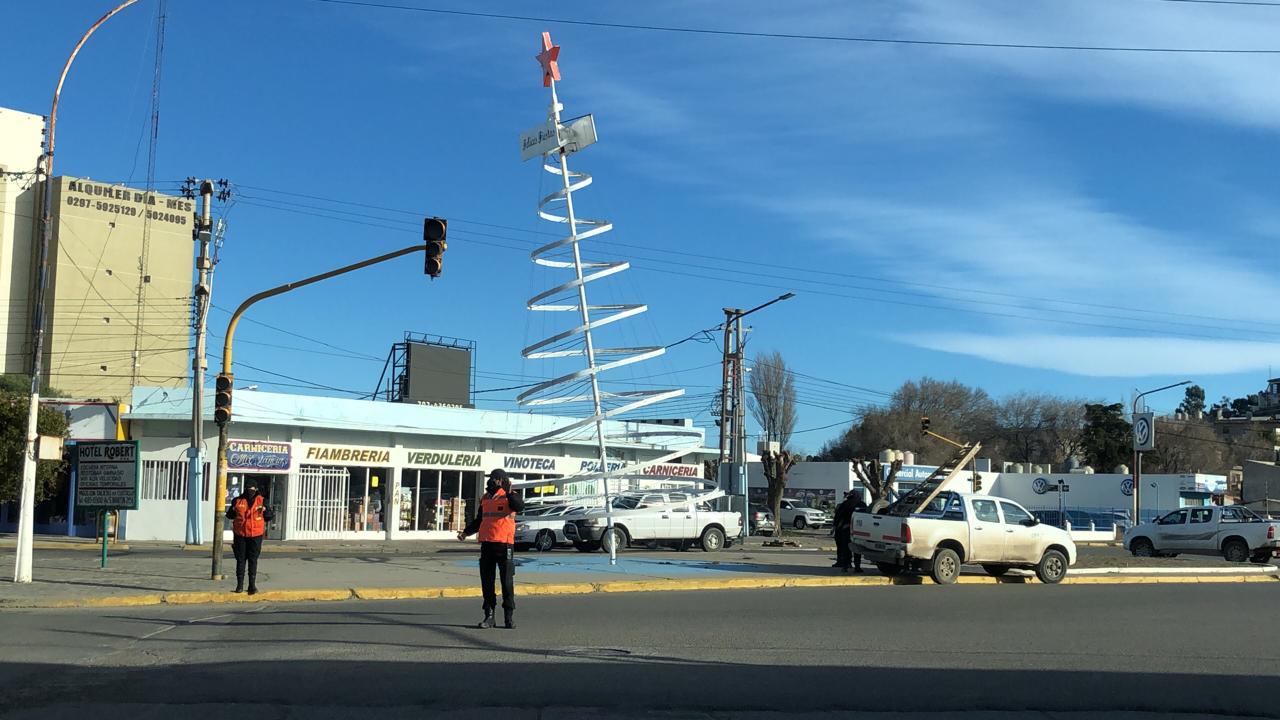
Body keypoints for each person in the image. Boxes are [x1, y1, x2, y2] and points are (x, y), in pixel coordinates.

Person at [458, 468, 524, 629]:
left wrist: (508, 492)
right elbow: (480, 520)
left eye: (494, 478)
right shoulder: (486, 498)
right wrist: (466, 532)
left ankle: (509, 617)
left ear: (502, 480)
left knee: (507, 583)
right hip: (487, 544)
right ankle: (489, 616)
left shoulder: (510, 496)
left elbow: (519, 506)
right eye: (490, 478)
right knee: (487, 583)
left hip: (504, 545)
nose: (491, 481)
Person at [226, 481, 275, 595]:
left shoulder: (262, 501)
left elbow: (268, 517)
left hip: (255, 535)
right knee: (240, 560)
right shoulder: (237, 500)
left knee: (253, 560)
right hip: (240, 535)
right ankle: (239, 585)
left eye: (252, 489)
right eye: (248, 488)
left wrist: (265, 511)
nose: (250, 491)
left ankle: (252, 585)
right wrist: (233, 510)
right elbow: (229, 516)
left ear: (256, 489)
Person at [832, 490, 868, 573]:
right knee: (857, 549)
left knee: (846, 548)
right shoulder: (862, 504)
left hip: (846, 529)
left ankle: (845, 566)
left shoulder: (846, 503)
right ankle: (857, 567)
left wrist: (835, 526)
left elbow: (838, 516)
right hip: (858, 530)